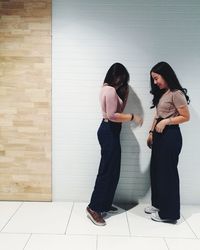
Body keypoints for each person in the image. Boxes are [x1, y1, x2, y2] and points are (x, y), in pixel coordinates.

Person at [86, 63, 143, 226]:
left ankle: (103, 204)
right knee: (107, 171)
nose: (121, 81)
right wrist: (133, 117)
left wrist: (123, 95)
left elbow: (117, 110)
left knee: (113, 170)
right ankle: (93, 208)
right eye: (120, 78)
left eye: (123, 80)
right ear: (113, 75)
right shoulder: (110, 90)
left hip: (111, 131)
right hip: (109, 130)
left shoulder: (109, 89)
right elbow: (112, 116)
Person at [145, 62, 190, 223]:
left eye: (157, 78)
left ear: (166, 74)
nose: (155, 82)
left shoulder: (176, 93)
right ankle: (158, 205)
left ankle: (169, 214)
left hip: (170, 136)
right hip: (159, 136)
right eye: (153, 79)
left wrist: (167, 122)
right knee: (157, 171)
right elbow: (157, 116)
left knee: (168, 174)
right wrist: (151, 132)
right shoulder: (163, 93)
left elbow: (186, 116)